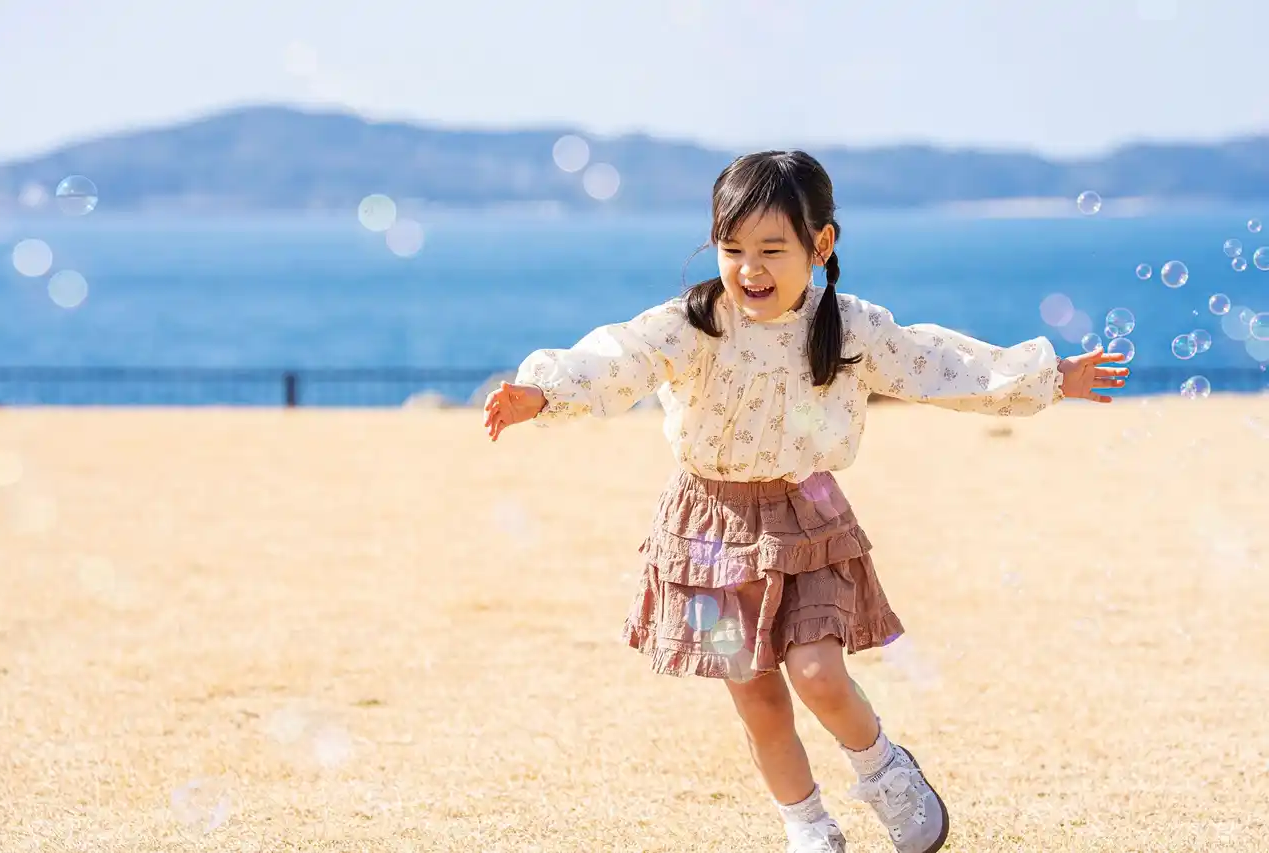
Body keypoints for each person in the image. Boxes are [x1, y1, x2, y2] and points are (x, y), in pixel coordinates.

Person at [482, 151, 1128, 853]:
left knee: (819, 673)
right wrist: (544, 391)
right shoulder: (693, 323)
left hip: (808, 514)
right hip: (706, 530)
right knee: (755, 696)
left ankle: (883, 770)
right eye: (732, 248)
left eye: (771, 249)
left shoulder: (849, 327)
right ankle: (808, 825)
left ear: (820, 245)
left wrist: (1049, 377)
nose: (749, 269)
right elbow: (621, 357)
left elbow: (939, 364)